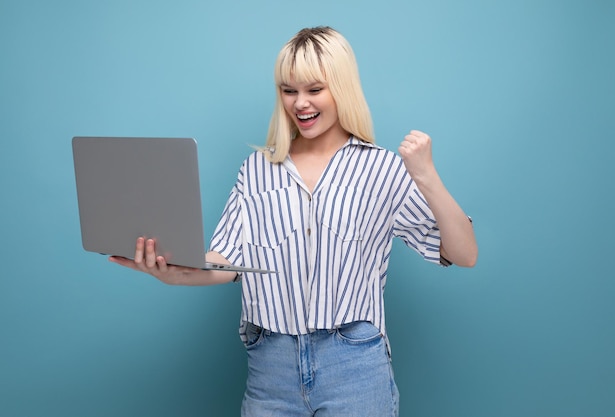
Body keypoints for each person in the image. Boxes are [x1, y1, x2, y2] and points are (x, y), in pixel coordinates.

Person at [110, 26, 477, 417]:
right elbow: (226, 262)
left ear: (342, 88)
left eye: (314, 89)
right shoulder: (256, 170)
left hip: (354, 366)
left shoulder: (383, 168)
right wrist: (174, 272)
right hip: (270, 368)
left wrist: (426, 175)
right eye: (289, 90)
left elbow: (464, 253)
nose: (300, 103)